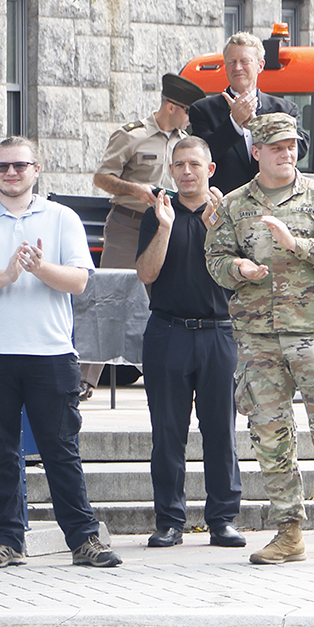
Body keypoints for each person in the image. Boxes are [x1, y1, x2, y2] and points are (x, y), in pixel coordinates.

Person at [205, 114, 314, 566]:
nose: (287, 153)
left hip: (313, 334)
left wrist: (296, 243)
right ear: (257, 152)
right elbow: (215, 258)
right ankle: (288, 534)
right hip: (258, 339)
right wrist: (238, 269)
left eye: (292, 146)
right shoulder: (234, 205)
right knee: (270, 438)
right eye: (277, 147)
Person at [0, 137, 121, 569]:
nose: (11, 173)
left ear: (36, 170)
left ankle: (84, 539)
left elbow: (80, 281)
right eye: (2, 166)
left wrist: (40, 268)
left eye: (20, 165)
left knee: (61, 449)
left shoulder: (62, 218)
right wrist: (6, 275)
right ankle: (8, 539)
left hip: (50, 352)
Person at [133, 138, 245, 549]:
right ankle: (169, 520)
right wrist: (165, 227)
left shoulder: (228, 215)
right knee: (167, 433)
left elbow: (239, 273)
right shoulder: (158, 213)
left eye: (194, 164)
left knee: (220, 431)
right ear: (170, 170)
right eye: (178, 164)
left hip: (219, 332)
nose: (185, 172)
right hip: (169, 332)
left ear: (209, 169)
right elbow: (146, 274)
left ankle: (222, 519)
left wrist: (216, 228)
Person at [85, 73, 208, 393]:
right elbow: (102, 177)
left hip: (166, 224)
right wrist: (135, 189)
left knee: (166, 296)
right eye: (187, 111)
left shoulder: (185, 142)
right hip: (129, 223)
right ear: (171, 107)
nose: (190, 118)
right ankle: (85, 379)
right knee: (110, 296)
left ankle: (168, 372)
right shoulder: (132, 136)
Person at [187, 31, 300, 195]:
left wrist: (258, 126)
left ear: (260, 65)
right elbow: (201, 157)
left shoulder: (284, 109)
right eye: (231, 62)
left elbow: (301, 148)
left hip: (274, 199)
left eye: (244, 61)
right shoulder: (203, 110)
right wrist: (234, 123)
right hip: (225, 202)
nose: (237, 67)